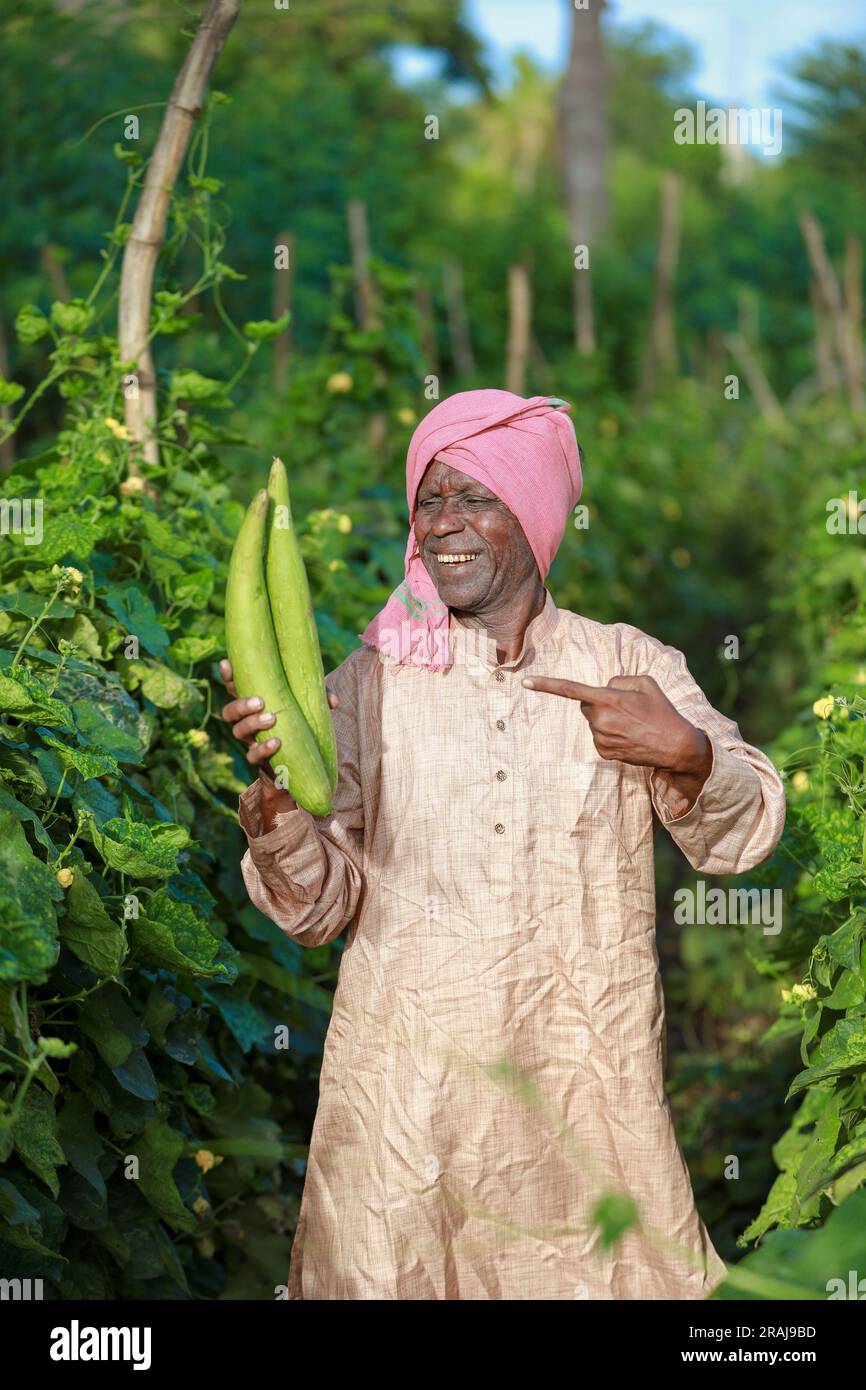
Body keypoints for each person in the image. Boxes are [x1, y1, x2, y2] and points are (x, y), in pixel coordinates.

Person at [220, 389, 786, 1301]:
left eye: (474, 497)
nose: (444, 524)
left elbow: (746, 830)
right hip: (404, 1108)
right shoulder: (369, 683)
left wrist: (685, 753)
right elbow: (318, 911)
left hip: (583, 1098)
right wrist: (280, 806)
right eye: (429, 499)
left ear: (532, 514)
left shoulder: (625, 668)